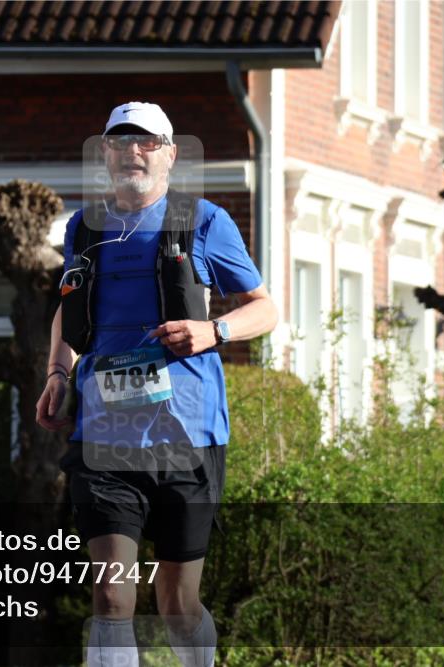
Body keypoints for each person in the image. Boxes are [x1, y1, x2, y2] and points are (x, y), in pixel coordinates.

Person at [36, 101, 277, 667]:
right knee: (112, 594)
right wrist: (57, 371)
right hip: (104, 436)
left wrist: (211, 331)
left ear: (169, 154)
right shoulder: (84, 228)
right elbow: (68, 309)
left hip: (188, 436)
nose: (132, 152)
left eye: (146, 142)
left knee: (177, 602)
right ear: (105, 155)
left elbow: (263, 310)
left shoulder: (205, 222)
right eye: (120, 142)